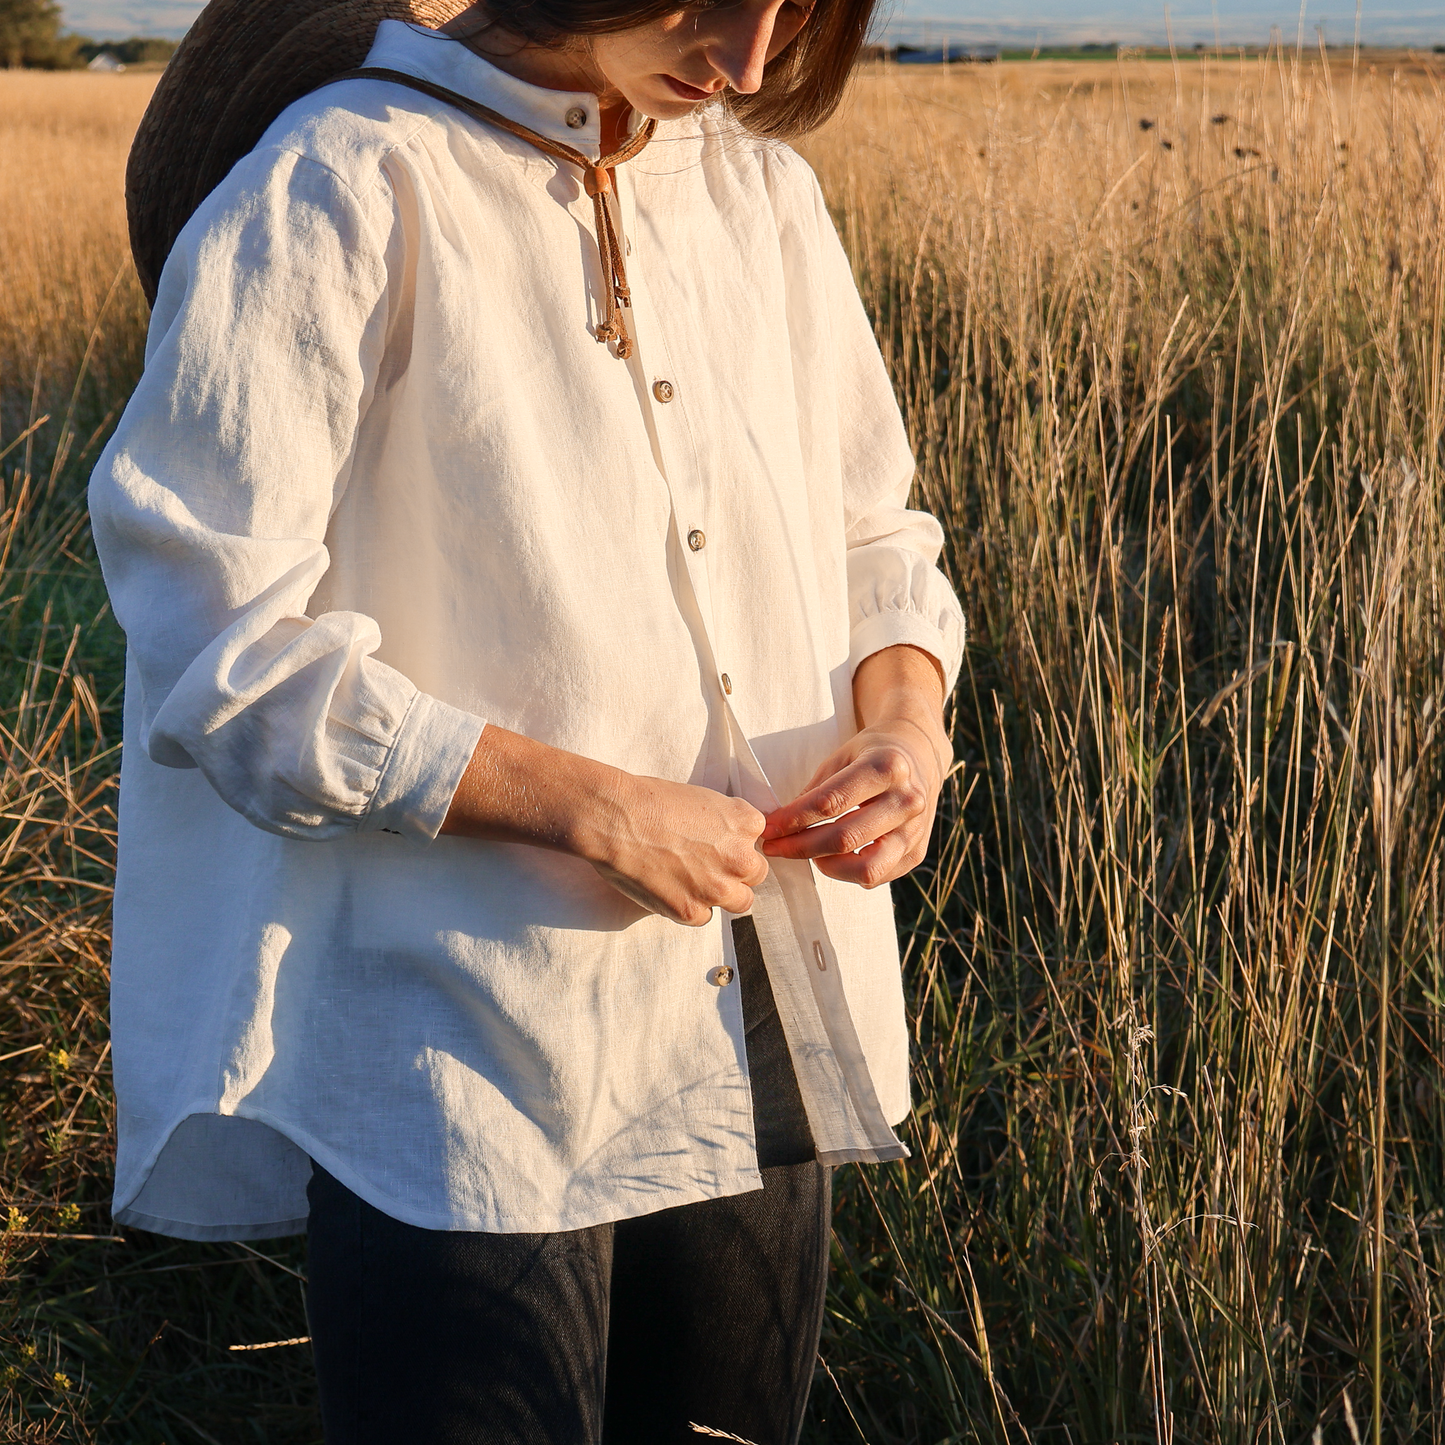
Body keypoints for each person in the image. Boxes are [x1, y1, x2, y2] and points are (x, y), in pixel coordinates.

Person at [90, 0, 965, 1438]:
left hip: (760, 1013)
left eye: (796, 3)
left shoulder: (761, 194)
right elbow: (216, 639)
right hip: (460, 1054)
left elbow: (874, 532)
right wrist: (589, 807)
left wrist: (909, 726)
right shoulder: (342, 181)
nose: (749, 60)